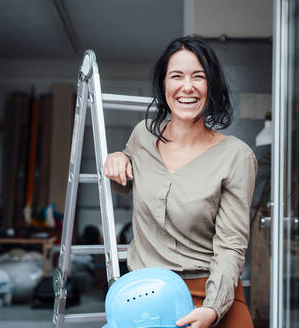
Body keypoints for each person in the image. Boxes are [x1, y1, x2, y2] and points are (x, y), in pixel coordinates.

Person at [104, 36, 257, 328]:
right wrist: (117, 158)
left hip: (211, 293)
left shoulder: (236, 156)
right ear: (164, 85)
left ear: (211, 85)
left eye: (198, 76)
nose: (187, 86)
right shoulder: (142, 137)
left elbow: (231, 246)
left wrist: (212, 309)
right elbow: (128, 179)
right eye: (177, 76)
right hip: (148, 297)